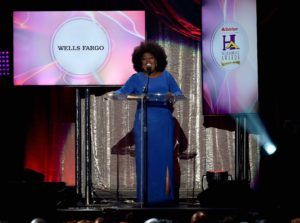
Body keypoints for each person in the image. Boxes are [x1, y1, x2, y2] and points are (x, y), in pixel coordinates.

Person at [112, 41, 183, 205]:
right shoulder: (136, 79)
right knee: (145, 159)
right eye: (144, 59)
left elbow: (179, 93)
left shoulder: (167, 76)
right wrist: (122, 95)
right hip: (144, 121)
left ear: (157, 60)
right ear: (139, 62)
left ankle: (165, 197)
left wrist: (173, 95)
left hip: (163, 123)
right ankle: (146, 197)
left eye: (151, 58)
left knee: (164, 158)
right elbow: (120, 93)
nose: (147, 61)